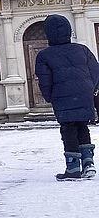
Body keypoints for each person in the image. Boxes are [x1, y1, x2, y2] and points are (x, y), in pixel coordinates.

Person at [34, 14, 99, 181]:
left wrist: (49, 97)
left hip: (62, 96)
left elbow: (45, 80)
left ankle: (72, 168)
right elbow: (95, 71)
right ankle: (88, 163)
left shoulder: (44, 55)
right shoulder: (82, 49)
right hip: (84, 95)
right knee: (82, 126)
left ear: (48, 34)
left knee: (68, 129)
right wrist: (89, 89)